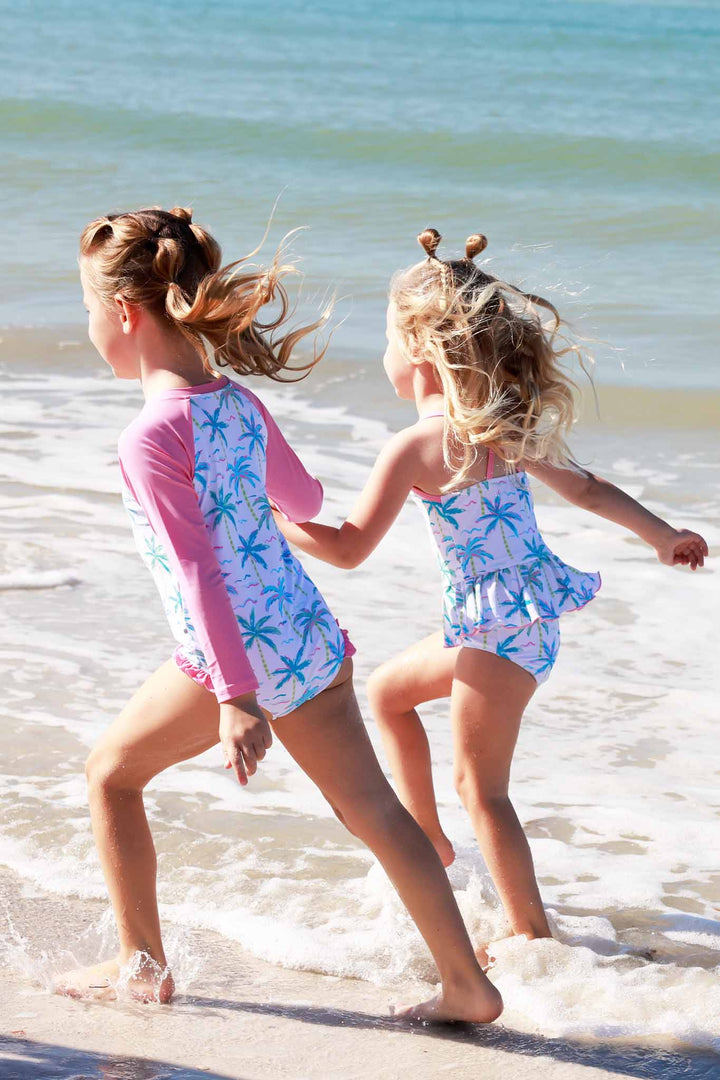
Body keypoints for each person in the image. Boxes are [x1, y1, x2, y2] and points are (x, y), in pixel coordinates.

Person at [56, 207, 502, 1024]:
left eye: (89, 308)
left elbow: (197, 574)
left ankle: (141, 966)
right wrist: (244, 505)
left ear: (124, 313)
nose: (90, 327)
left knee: (109, 777)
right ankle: (467, 984)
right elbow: (303, 499)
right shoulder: (233, 404)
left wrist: (234, 697)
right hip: (308, 636)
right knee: (374, 811)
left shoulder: (151, 434)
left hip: (235, 661)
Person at [276, 227, 709, 968]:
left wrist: (273, 521)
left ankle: (529, 933)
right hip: (518, 621)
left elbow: (347, 548)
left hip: (495, 630)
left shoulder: (416, 446)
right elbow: (588, 489)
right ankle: (431, 841)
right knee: (387, 693)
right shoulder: (501, 427)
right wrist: (661, 533)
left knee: (485, 788)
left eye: (386, 338)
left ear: (416, 348)